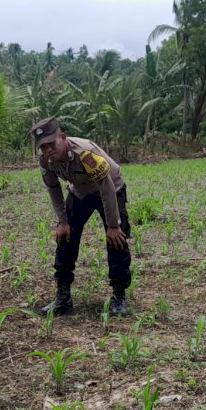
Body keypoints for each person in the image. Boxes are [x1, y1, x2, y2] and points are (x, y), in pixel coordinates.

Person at [32, 116, 132, 316]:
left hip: (111, 188)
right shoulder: (45, 160)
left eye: (51, 144)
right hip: (80, 191)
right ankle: (63, 297)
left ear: (62, 136)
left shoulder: (85, 153)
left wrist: (113, 225)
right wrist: (63, 221)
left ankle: (119, 297)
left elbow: (106, 188)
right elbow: (53, 188)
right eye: (43, 147)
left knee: (117, 239)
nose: (48, 150)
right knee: (65, 237)